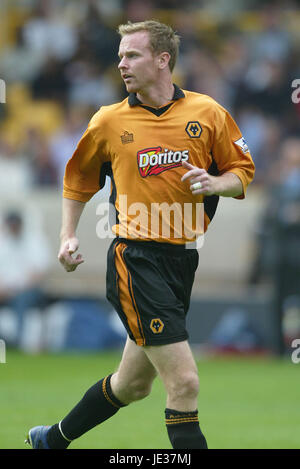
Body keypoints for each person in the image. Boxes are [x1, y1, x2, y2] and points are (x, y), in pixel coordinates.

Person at [26, 20, 255, 449]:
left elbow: (242, 173)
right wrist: (67, 235)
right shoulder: (109, 121)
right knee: (184, 382)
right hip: (136, 259)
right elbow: (77, 180)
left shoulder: (208, 113)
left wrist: (214, 182)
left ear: (162, 60)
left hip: (183, 260)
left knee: (132, 385)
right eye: (119, 57)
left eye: (132, 55)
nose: (121, 64)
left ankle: (52, 441)